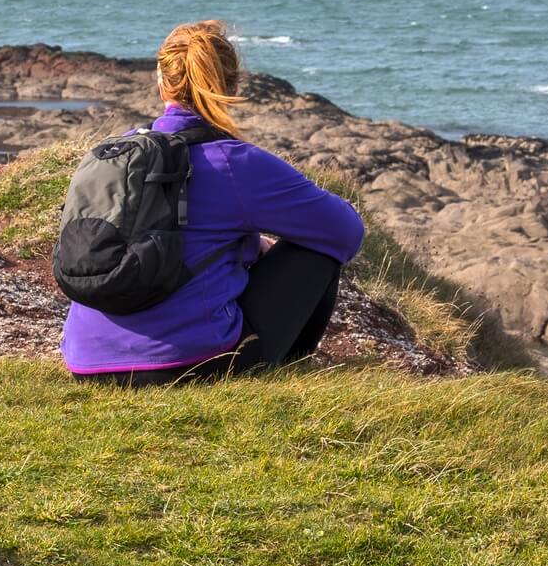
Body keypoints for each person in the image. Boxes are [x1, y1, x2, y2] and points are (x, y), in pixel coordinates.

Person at [60, 20, 365, 384]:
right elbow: (346, 233)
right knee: (318, 248)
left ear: (161, 82)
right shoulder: (235, 161)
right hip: (183, 368)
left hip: (85, 364)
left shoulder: (117, 153)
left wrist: (248, 241)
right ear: (232, 85)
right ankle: (288, 367)